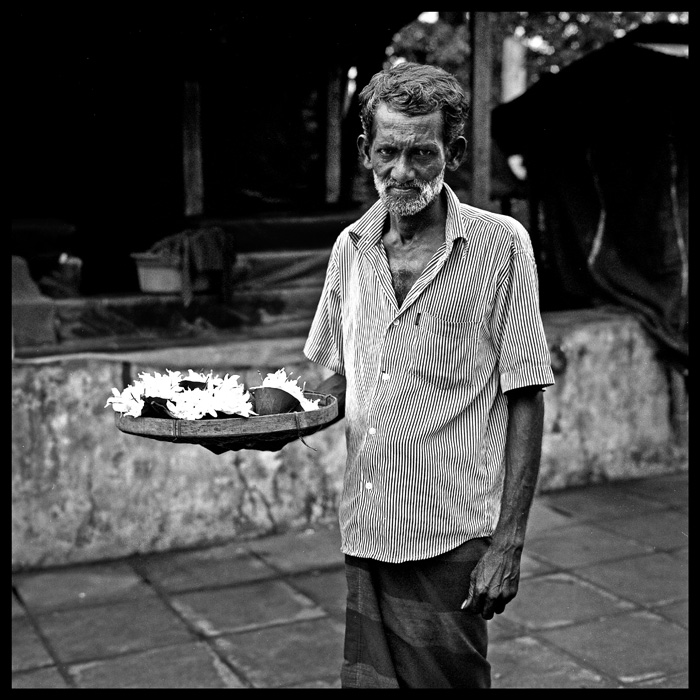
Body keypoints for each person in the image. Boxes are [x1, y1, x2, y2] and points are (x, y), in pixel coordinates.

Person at [302, 61, 555, 688]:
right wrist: (246, 418)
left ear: (455, 151)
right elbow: (330, 378)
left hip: (453, 531)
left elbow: (525, 392)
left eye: (423, 153)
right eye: (388, 152)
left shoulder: (501, 245)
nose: (403, 172)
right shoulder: (350, 248)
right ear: (366, 152)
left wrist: (508, 543)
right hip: (366, 525)